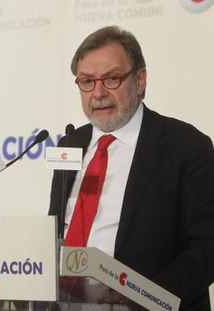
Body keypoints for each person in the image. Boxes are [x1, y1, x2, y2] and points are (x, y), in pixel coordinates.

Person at [49, 25, 214, 310]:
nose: (98, 93)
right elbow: (56, 233)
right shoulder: (70, 143)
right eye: (87, 81)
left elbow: (207, 245)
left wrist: (143, 296)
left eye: (112, 79)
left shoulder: (186, 147)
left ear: (139, 80)